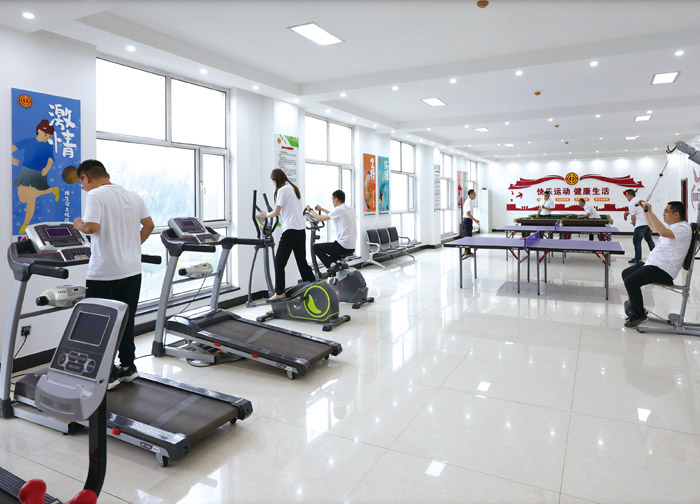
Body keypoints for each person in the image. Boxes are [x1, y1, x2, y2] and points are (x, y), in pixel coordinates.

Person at [72, 159, 155, 389]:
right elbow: (149, 225)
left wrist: (78, 225)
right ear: (107, 175)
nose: (83, 187)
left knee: (99, 324)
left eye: (82, 183)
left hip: (104, 273)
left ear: (86, 178)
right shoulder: (133, 196)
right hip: (131, 270)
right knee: (126, 320)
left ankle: (104, 374)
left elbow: (91, 227)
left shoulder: (95, 195)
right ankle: (128, 367)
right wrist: (132, 247)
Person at [621, 201, 691, 328]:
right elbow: (653, 227)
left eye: (666, 211)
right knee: (626, 273)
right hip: (654, 264)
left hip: (664, 270)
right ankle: (636, 306)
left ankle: (639, 314)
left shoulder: (683, 229)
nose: (664, 214)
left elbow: (662, 232)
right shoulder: (673, 226)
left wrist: (650, 211)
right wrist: (646, 212)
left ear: (676, 214)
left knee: (631, 281)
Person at [260, 169, 315, 301]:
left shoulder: (282, 190)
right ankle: (313, 285)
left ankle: (280, 292)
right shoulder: (293, 188)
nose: (273, 184)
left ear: (275, 180)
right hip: (300, 230)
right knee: (301, 261)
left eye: (273, 181)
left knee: (279, 262)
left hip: (290, 230)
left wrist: (265, 215)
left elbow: (276, 212)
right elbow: (287, 210)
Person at [11, 119, 61, 235]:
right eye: (46, 134)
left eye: (49, 136)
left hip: (39, 173)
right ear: (39, 130)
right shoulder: (29, 141)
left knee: (31, 198)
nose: (47, 137)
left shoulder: (48, 146)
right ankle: (52, 190)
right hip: (25, 171)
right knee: (23, 198)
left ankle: (25, 224)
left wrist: (46, 169)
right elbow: (11, 149)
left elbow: (50, 159)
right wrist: (12, 159)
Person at [305, 190, 357, 277]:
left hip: (342, 246)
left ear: (336, 199)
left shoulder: (339, 209)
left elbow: (320, 218)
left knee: (315, 247)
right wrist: (321, 209)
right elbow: (333, 214)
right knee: (332, 258)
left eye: (332, 199)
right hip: (351, 247)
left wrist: (310, 210)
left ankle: (332, 266)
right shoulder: (349, 209)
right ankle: (334, 273)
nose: (332, 201)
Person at [624, 189, 655, 264]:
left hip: (641, 224)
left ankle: (638, 259)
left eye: (626, 195)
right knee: (649, 239)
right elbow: (640, 210)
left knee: (636, 241)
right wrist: (628, 212)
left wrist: (633, 222)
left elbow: (633, 216)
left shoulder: (631, 203)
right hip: (648, 223)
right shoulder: (641, 200)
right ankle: (656, 256)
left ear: (629, 195)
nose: (626, 197)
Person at [463, 189, 479, 255]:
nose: (475, 195)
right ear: (471, 194)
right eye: (474, 194)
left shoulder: (468, 201)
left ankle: (468, 251)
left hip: (468, 220)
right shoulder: (468, 202)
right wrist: (475, 220)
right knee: (468, 237)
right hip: (467, 220)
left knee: (469, 236)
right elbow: (468, 213)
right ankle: (467, 252)